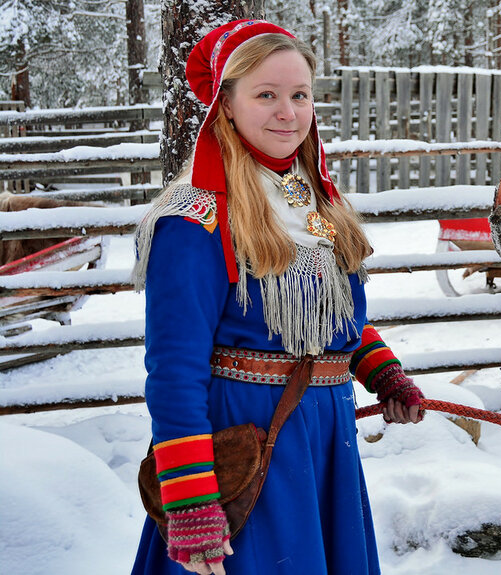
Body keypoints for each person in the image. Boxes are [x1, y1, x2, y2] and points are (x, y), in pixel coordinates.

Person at [130, 20, 424, 575]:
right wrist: (192, 499)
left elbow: (334, 320)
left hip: (324, 442)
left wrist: (381, 371)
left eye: (299, 95)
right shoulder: (196, 218)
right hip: (246, 448)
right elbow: (173, 369)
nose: (288, 112)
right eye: (266, 95)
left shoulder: (319, 205)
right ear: (226, 104)